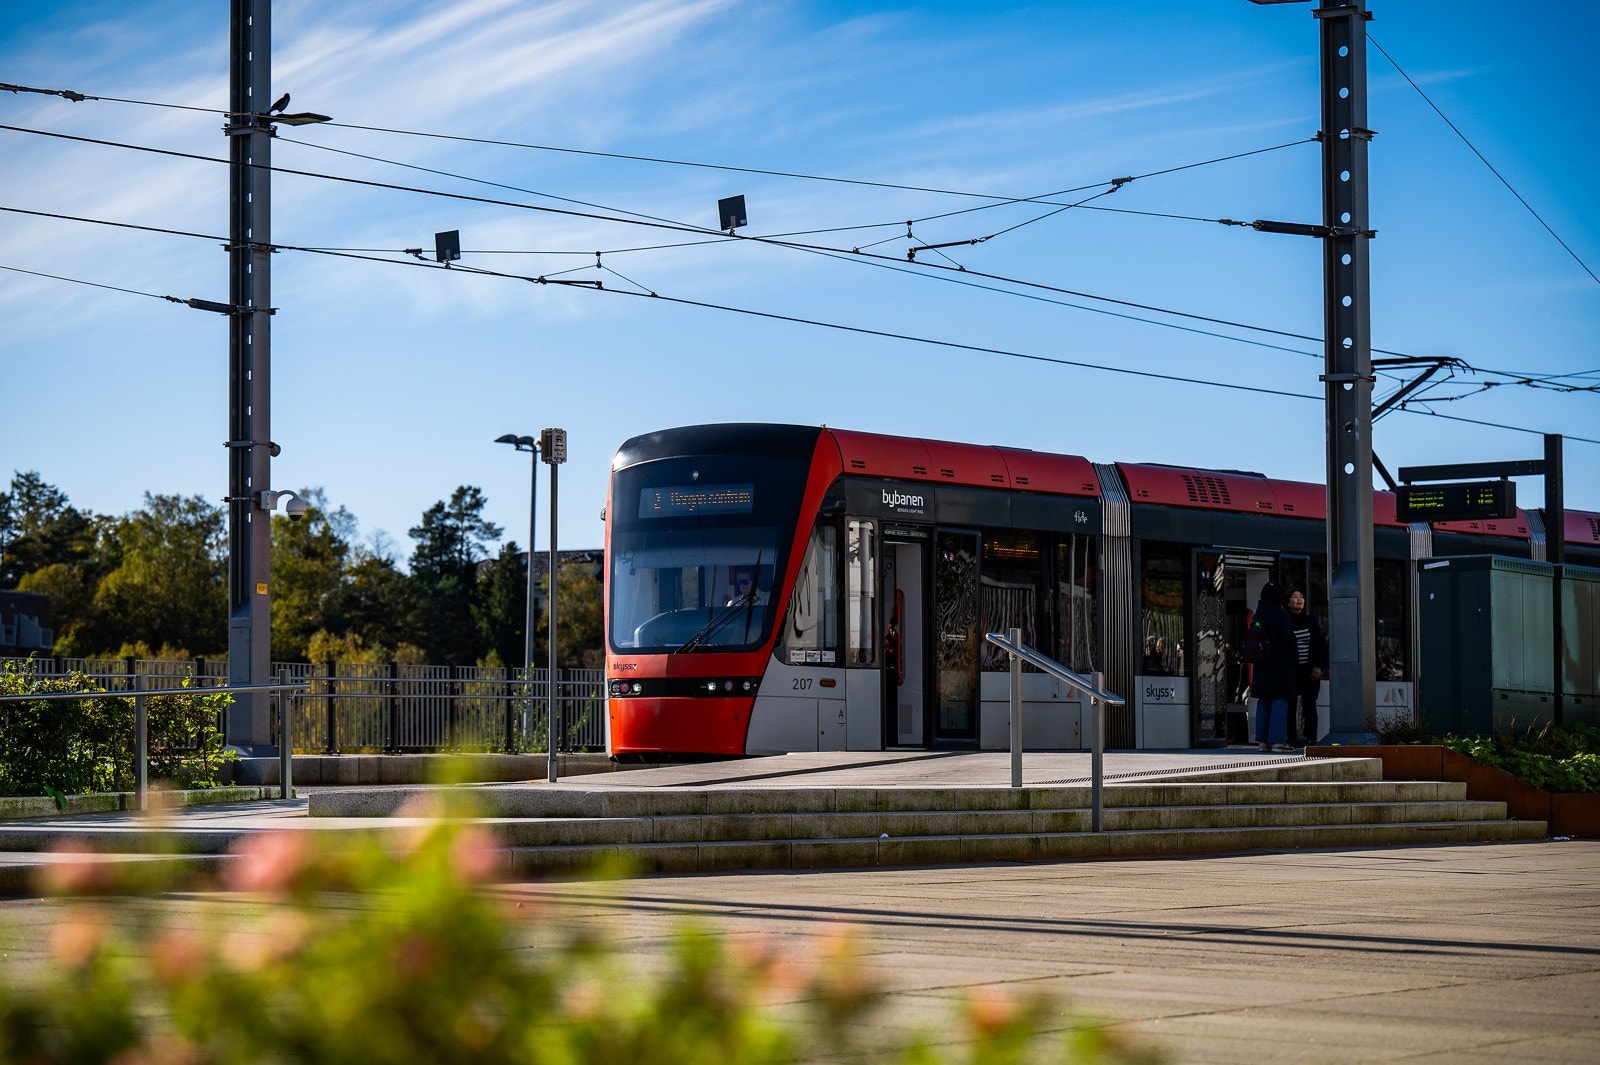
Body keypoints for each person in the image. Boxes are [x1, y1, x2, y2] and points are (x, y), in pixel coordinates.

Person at [1248, 581, 1298, 753]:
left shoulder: (1258, 615)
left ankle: (1262, 741)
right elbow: (1289, 641)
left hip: (1261, 665)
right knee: (1279, 700)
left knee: (1263, 700)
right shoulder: (1281, 614)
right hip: (1280, 665)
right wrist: (1295, 661)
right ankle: (1277, 741)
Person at [1285, 587, 1328, 747]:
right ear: (1288, 602)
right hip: (1291, 670)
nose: (1299, 599)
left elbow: (1319, 644)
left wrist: (1318, 666)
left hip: (1308, 670)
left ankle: (1311, 737)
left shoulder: (1310, 620)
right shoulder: (1285, 620)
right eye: (1295, 597)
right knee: (1290, 705)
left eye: (1301, 596)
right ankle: (1291, 737)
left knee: (1310, 705)